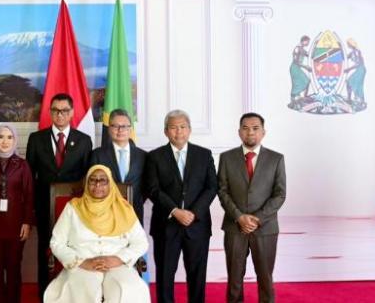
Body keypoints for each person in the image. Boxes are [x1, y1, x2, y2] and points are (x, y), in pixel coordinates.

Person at [44, 165, 149, 303]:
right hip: (82, 264)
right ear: (87, 184)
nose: (97, 184)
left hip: (117, 265)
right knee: (82, 290)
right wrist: (81, 262)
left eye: (103, 180)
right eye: (92, 180)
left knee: (128, 288)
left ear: (110, 183)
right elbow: (56, 242)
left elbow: (141, 242)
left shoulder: (124, 209)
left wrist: (118, 259)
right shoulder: (73, 208)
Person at [145, 109, 218, 303]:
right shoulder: (155, 156)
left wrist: (193, 213)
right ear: (166, 131)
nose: (179, 132)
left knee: (197, 274)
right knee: (165, 275)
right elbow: (153, 189)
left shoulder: (204, 155)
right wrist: (175, 211)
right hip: (166, 225)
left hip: (197, 225)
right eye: (173, 128)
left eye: (183, 127)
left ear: (190, 129)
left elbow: (212, 187)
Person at [26, 93, 92, 298]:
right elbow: (29, 178)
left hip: (74, 210)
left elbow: (86, 178)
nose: (60, 114)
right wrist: (32, 209)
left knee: (72, 251)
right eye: (55, 110)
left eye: (64, 110)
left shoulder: (84, 141)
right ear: (50, 112)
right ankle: (45, 295)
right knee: (45, 252)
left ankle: (71, 296)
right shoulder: (36, 139)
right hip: (45, 207)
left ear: (71, 112)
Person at [218, 112, 286, 303]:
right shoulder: (226, 158)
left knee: (265, 277)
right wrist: (239, 217)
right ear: (239, 132)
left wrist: (257, 218)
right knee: (234, 279)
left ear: (263, 132)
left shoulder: (276, 159)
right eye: (246, 128)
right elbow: (222, 192)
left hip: (265, 228)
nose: (250, 133)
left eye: (255, 128)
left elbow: (280, 194)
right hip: (234, 226)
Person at [0, 124, 34, 303]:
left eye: (9, 137)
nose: (4, 141)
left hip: (16, 225)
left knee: (13, 268)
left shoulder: (22, 165)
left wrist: (27, 222)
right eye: (1, 137)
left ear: (14, 140)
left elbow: (29, 196)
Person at [89, 108, 147, 223]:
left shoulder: (143, 156)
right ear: (109, 129)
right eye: (115, 126)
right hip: (105, 213)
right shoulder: (97, 155)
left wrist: (135, 200)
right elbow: (91, 184)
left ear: (130, 129)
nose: (120, 130)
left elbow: (147, 186)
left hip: (134, 213)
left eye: (124, 126)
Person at [288, 35, 311, 106]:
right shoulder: (297, 49)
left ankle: (304, 97)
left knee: (307, 81)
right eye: (308, 42)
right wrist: (306, 67)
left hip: (297, 68)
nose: (308, 43)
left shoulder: (302, 49)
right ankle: (292, 100)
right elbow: (296, 61)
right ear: (304, 41)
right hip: (294, 68)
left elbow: (309, 55)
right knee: (296, 84)